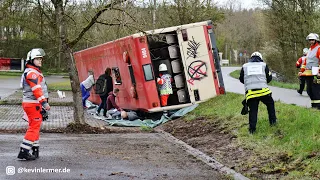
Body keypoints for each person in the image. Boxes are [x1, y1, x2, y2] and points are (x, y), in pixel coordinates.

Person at [18, 48, 50, 160]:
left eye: (41, 58)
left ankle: (34, 149)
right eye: (37, 59)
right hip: (33, 104)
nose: (40, 60)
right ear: (31, 60)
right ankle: (24, 151)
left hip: (33, 103)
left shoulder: (33, 72)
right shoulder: (32, 73)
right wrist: (44, 103)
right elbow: (37, 90)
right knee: (34, 127)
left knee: (34, 126)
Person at [239, 52, 277, 134]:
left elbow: (241, 79)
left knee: (253, 111)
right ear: (260, 58)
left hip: (251, 93)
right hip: (263, 91)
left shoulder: (245, 66)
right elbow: (269, 77)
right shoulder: (263, 65)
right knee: (270, 104)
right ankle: (273, 123)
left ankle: (252, 130)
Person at [301, 33, 320, 108]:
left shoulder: (318, 49)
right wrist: (301, 71)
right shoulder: (309, 50)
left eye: (312, 40)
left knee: (316, 90)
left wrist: (319, 72)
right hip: (308, 73)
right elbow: (306, 61)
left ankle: (318, 106)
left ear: (316, 40)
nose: (311, 41)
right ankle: (313, 105)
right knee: (309, 90)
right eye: (310, 40)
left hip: (316, 73)